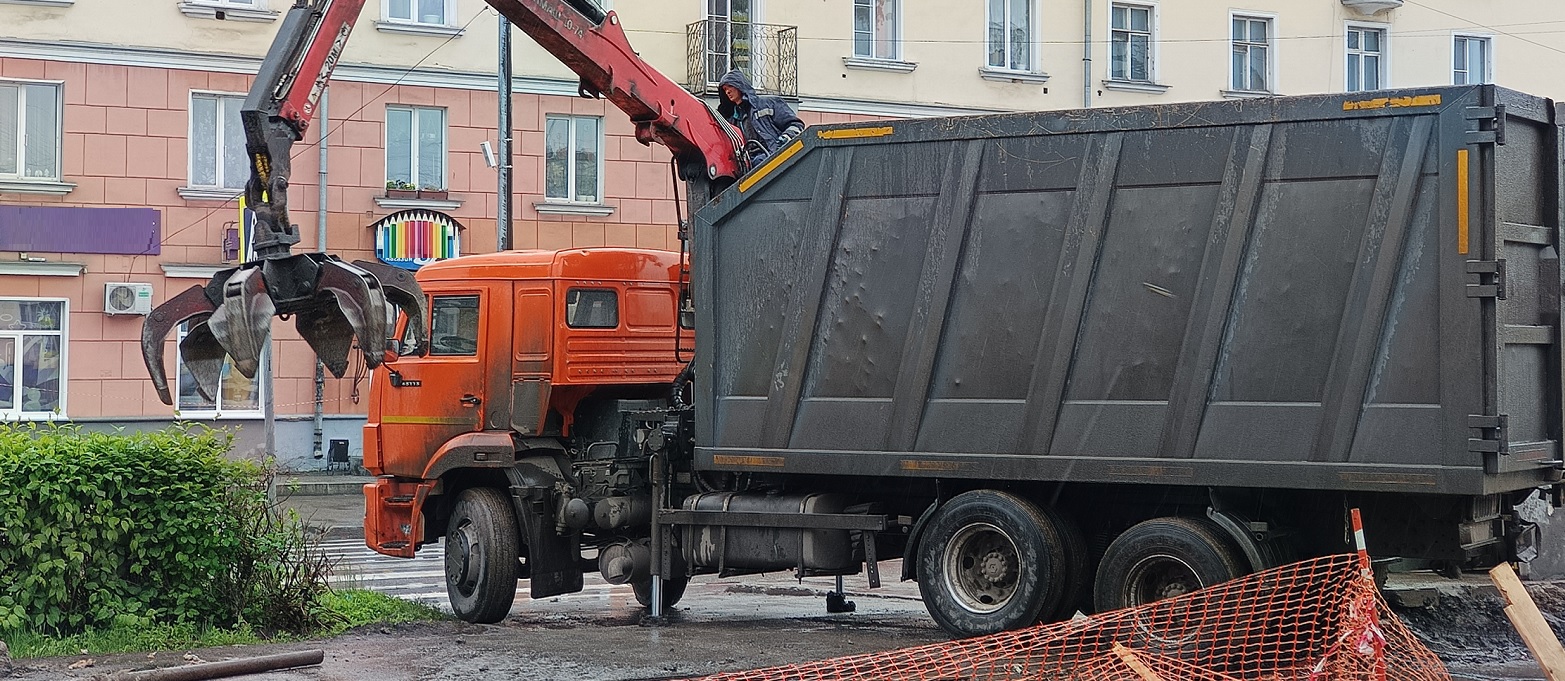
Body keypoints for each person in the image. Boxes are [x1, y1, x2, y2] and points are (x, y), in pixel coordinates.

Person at [716, 69, 804, 165]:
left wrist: (784, 140)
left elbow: (796, 125)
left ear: (740, 85)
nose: (728, 91)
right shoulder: (732, 119)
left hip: (774, 158)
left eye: (730, 86)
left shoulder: (769, 103)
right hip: (750, 164)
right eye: (724, 89)